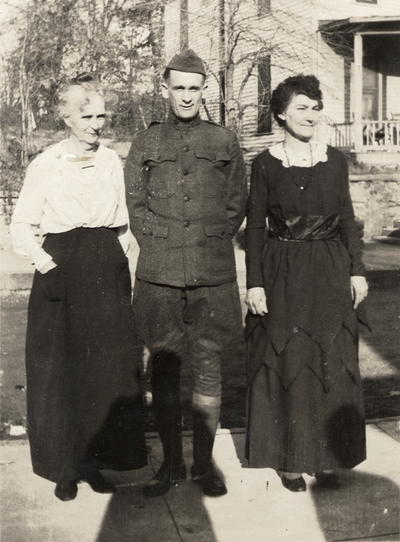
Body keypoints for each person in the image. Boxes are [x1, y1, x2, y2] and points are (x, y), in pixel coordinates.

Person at [10, 75, 147, 501]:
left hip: (106, 269)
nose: (95, 124)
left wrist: (122, 263)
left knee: (104, 372)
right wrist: (49, 266)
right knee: (63, 372)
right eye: (85, 116)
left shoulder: (110, 161)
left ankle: (95, 463)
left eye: (101, 115)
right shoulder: (46, 163)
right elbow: (21, 226)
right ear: (65, 117)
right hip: (62, 271)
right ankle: (65, 468)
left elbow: (124, 224)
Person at [124, 49, 247, 497]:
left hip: (211, 275)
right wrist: (165, 244)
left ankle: (203, 466)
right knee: (164, 370)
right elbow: (136, 206)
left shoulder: (225, 141)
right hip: (158, 275)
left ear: (203, 90)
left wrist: (205, 242)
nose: (187, 96)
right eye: (179, 87)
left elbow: (236, 205)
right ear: (165, 90)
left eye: (194, 88)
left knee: (210, 368)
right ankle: (171, 465)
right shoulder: (146, 142)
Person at [245, 74, 369, 492]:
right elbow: (256, 229)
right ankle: (293, 461)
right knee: (291, 360)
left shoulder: (335, 161)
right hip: (282, 271)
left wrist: (358, 270)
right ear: (281, 113)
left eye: (315, 107)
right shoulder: (264, 164)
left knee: (330, 358)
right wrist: (255, 283)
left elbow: (348, 220)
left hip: (331, 270)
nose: (310, 115)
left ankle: (330, 459)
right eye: (301, 107)